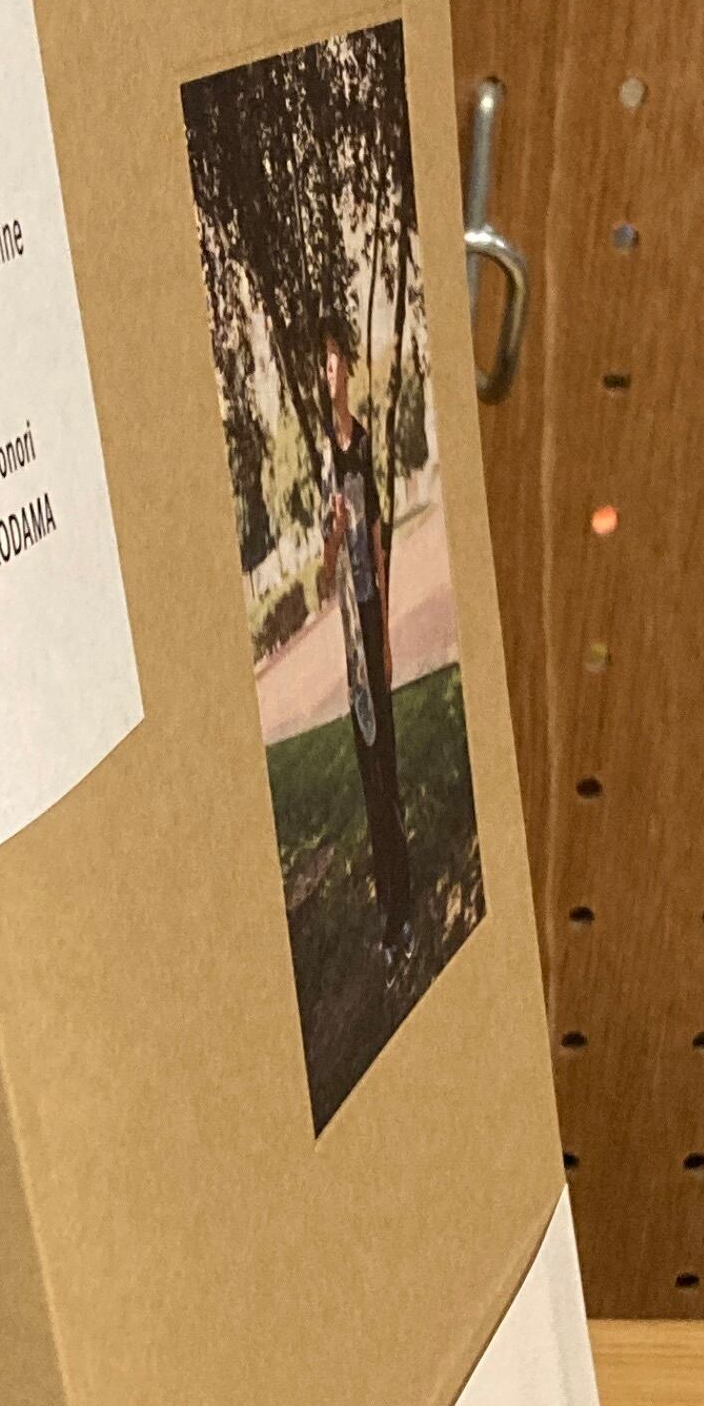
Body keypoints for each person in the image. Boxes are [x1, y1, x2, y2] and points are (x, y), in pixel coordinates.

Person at [316, 314, 414, 976]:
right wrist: (331, 535)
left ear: (348, 365)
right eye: (318, 365)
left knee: (391, 765)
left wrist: (386, 636)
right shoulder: (321, 451)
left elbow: (377, 540)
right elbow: (326, 578)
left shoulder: (363, 441)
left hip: (373, 625)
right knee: (371, 772)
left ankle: (403, 901)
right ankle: (392, 915)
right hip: (351, 637)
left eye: (332, 361)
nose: (326, 374)